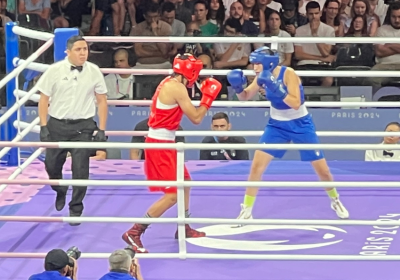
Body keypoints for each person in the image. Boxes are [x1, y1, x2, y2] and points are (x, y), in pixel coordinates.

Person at [227, 46, 349, 224]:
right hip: (276, 125)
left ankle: (335, 200)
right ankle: (246, 209)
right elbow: (245, 97)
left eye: (257, 64)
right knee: (256, 167)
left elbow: (296, 102)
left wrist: (276, 88)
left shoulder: (288, 74)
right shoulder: (261, 77)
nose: (254, 68)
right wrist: (238, 87)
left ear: (268, 63)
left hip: (300, 124)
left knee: (322, 171)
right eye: (253, 64)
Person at [122, 53, 222, 253]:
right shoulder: (176, 88)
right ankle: (134, 231)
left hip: (165, 141)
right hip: (160, 144)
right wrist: (207, 98)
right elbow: (195, 118)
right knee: (172, 195)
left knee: (185, 183)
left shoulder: (171, 82)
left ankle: (183, 227)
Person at [37, 36, 108, 226]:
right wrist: (43, 125)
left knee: (81, 169)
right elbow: (44, 99)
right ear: (68, 52)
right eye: (78, 49)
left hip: (83, 126)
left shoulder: (94, 71)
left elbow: (101, 101)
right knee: (51, 166)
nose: (83, 53)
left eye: (85, 49)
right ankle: (60, 189)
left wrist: (101, 128)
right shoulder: (54, 71)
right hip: (57, 124)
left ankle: (76, 208)